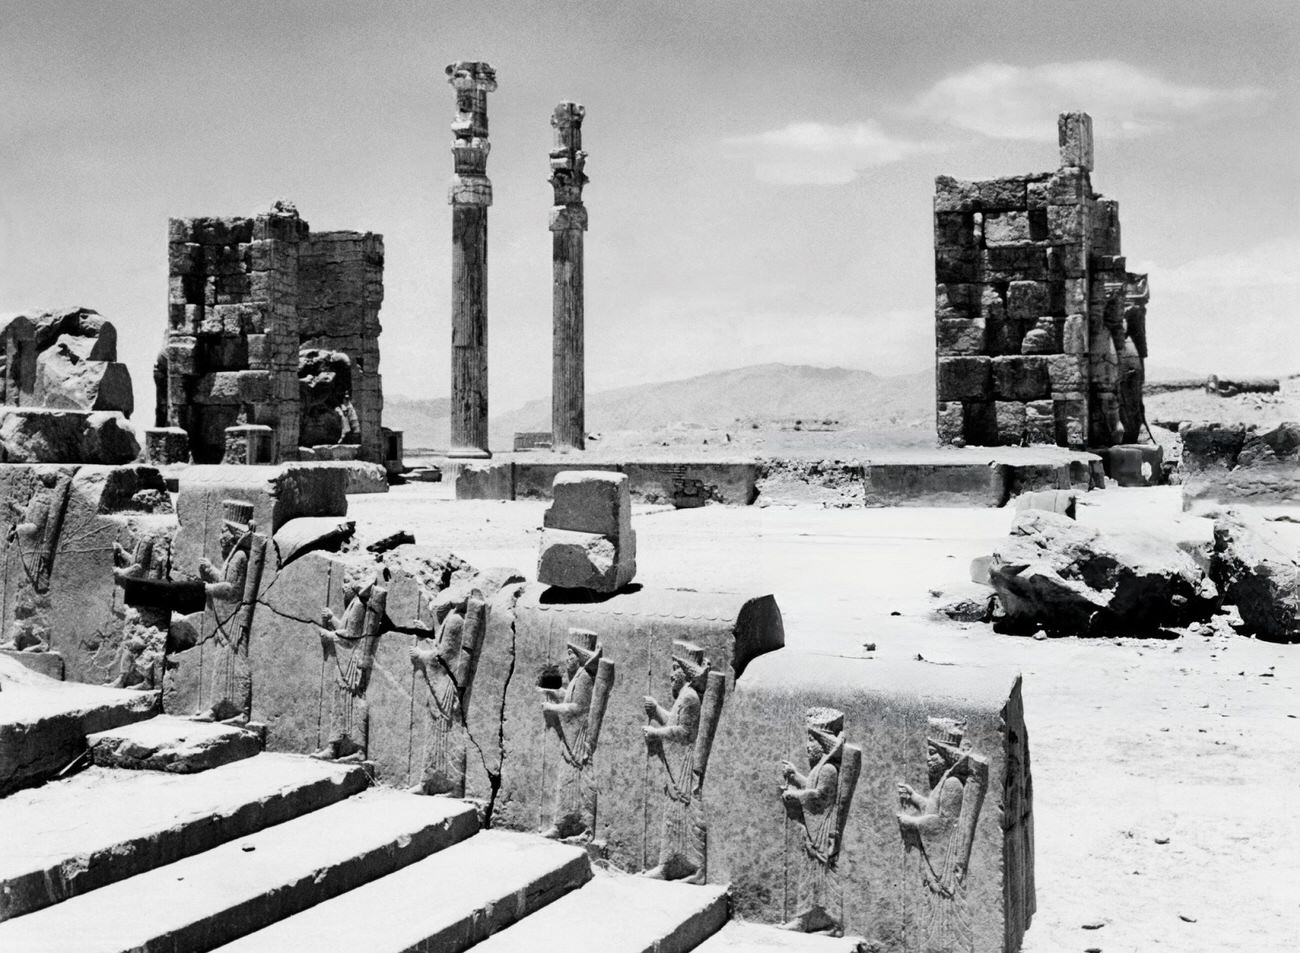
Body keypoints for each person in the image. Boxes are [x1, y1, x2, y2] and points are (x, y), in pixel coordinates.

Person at [897, 717, 988, 953]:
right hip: (937, 863)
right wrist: (915, 798)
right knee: (934, 911)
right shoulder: (945, 784)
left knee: (944, 913)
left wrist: (912, 823)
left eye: (933, 754)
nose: (928, 760)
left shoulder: (952, 785)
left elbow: (944, 823)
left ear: (946, 757)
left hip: (945, 865)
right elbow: (934, 809)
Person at [643, 642, 709, 882]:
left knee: (686, 816)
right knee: (672, 817)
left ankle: (696, 869)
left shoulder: (690, 698)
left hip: (683, 766)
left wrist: (657, 733)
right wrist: (656, 710)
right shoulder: (684, 696)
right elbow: (672, 722)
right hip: (676, 766)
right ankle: (667, 865)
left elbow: (683, 732)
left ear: (684, 672)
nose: (671, 675)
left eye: (674, 669)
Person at [781, 708, 848, 934]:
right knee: (809, 879)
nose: (808, 746)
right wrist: (795, 776)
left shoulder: (828, 769)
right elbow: (811, 787)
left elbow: (819, 796)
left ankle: (830, 923)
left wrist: (796, 795)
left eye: (811, 740)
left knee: (823, 879)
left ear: (822, 742)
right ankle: (804, 919)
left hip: (822, 832)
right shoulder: (820, 768)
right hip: (812, 832)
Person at [539, 629, 604, 840]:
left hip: (577, 741)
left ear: (580, 657)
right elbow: (569, 700)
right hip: (571, 741)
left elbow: (577, 708)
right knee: (567, 784)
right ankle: (561, 825)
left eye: (570, 655)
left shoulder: (584, 677)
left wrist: (553, 709)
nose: (567, 660)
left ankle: (584, 830)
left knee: (579, 784)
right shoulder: (578, 677)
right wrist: (554, 694)